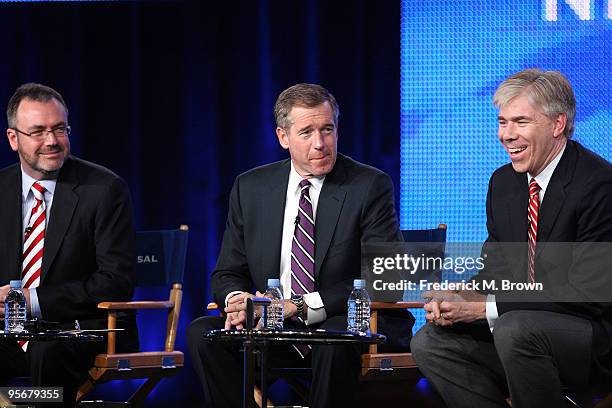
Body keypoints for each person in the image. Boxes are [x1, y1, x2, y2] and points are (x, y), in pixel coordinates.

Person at [188, 83, 408, 407]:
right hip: (273, 326)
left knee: (335, 339)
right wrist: (241, 302)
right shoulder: (250, 188)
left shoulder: (369, 185)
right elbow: (226, 272)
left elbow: (384, 278)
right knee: (203, 334)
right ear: (282, 137)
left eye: (327, 130)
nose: (320, 144)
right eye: (306, 132)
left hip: (344, 320)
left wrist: (300, 306)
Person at [410, 69, 612, 408]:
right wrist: (459, 296)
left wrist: (484, 308)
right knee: (430, 342)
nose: (506, 135)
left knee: (514, 328)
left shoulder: (598, 185)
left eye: (520, 122)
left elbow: (587, 292)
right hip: (521, 331)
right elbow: (496, 271)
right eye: (503, 122)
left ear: (557, 124)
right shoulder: (503, 183)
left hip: (591, 338)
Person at [0, 83, 139, 407]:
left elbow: (115, 282)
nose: (51, 141)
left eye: (59, 129)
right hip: (9, 331)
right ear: (13, 138)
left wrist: (31, 301)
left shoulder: (103, 189)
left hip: (81, 330)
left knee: (46, 352)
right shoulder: (2, 189)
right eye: (38, 132)